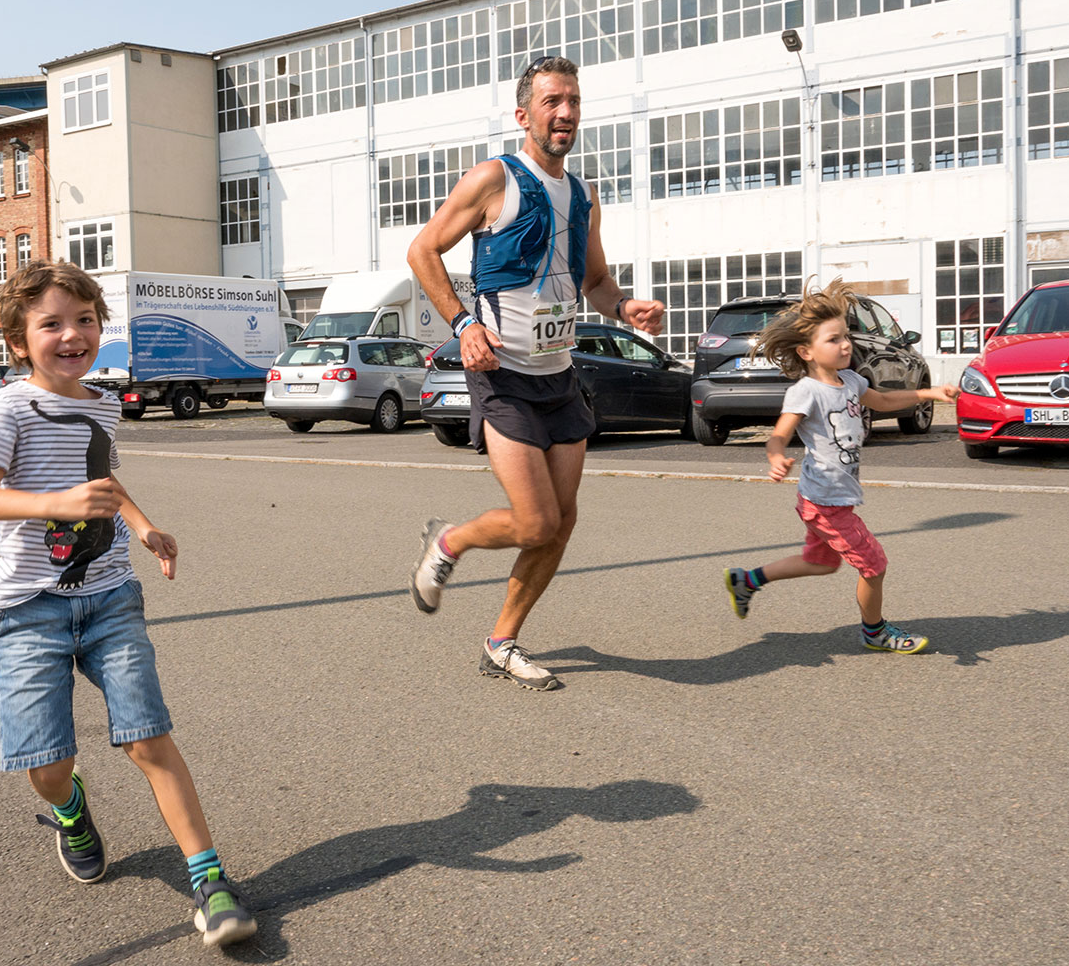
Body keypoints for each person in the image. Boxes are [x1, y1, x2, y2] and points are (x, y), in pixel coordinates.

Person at [0, 260, 257, 947]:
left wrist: (143, 525)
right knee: (46, 764)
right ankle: (70, 808)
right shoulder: (8, 407)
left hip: (110, 596)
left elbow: (102, 478)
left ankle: (210, 882)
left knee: (149, 737)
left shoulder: (97, 402)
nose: (73, 335)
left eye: (86, 320)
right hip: (28, 608)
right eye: (52, 324)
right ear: (16, 340)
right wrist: (52, 504)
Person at [406, 56, 664, 691]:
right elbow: (422, 250)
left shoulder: (583, 195)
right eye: (553, 102)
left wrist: (624, 307)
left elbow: (595, 281)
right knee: (536, 521)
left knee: (562, 521)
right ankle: (451, 541)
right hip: (504, 376)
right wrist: (464, 325)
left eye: (573, 101)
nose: (566, 112)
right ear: (524, 115)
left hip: (559, 376)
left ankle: (501, 641)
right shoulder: (495, 179)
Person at [723, 279, 959, 654]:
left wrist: (929, 393)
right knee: (874, 565)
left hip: (832, 497)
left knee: (819, 563)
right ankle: (875, 632)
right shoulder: (806, 391)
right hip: (825, 501)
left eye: (846, 336)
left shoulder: (850, 380)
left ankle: (747, 580)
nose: (846, 344)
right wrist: (776, 456)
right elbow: (778, 435)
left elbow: (881, 400)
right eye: (834, 339)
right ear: (807, 351)